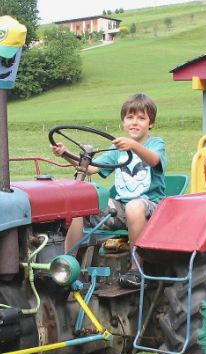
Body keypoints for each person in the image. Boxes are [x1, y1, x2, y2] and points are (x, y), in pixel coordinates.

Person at [51, 93, 167, 288]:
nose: (134, 122)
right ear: (123, 122)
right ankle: (69, 267)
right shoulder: (117, 151)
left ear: (151, 123)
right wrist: (64, 154)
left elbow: (153, 160)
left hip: (151, 208)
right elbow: (89, 168)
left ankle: (135, 270)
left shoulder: (156, 144)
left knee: (134, 206)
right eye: (130, 118)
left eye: (141, 118)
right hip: (121, 208)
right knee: (79, 206)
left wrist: (133, 146)